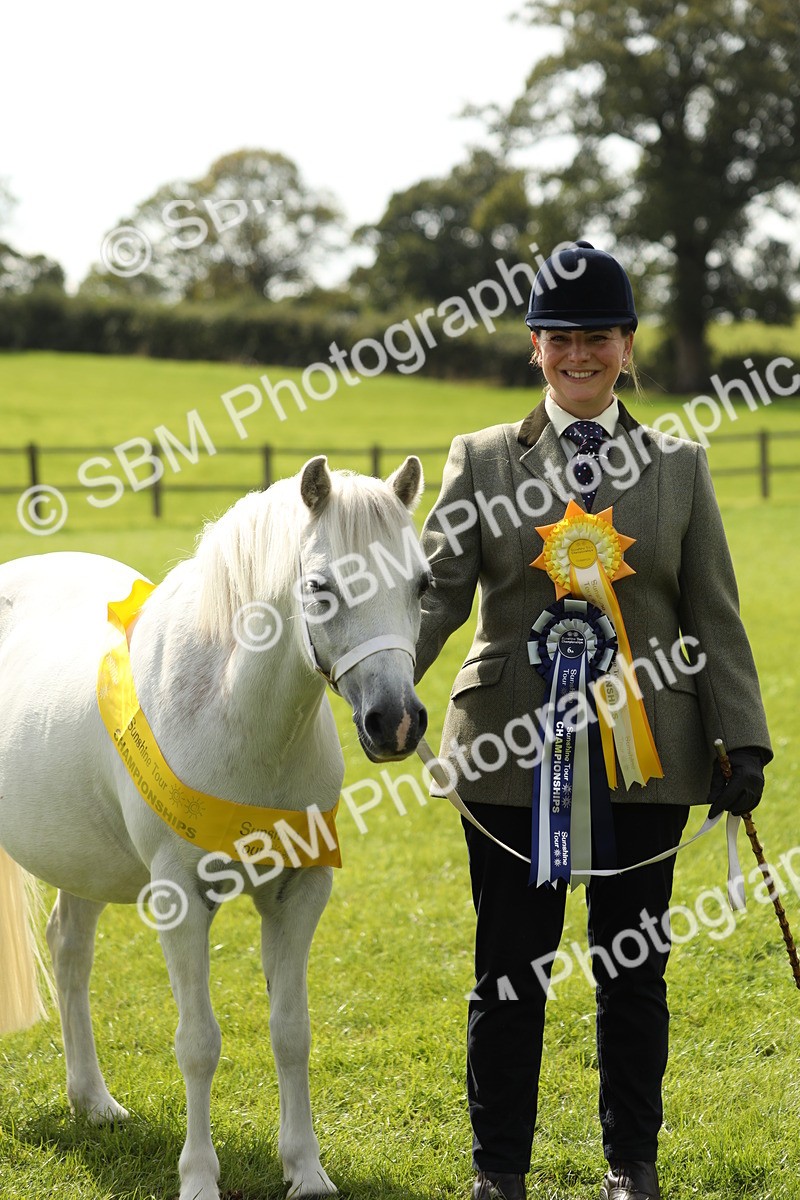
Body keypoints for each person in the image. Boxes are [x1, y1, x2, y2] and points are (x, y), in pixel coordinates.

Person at [414, 241, 772, 1200]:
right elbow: (439, 593)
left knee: (634, 971)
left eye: (599, 337)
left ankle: (631, 1166)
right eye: (562, 337)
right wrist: (389, 691)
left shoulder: (679, 467)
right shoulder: (482, 460)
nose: (580, 355)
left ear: (626, 346)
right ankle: (500, 1172)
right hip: (507, 758)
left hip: (647, 756)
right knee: (508, 972)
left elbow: (715, 615)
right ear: (535, 346)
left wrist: (745, 738)